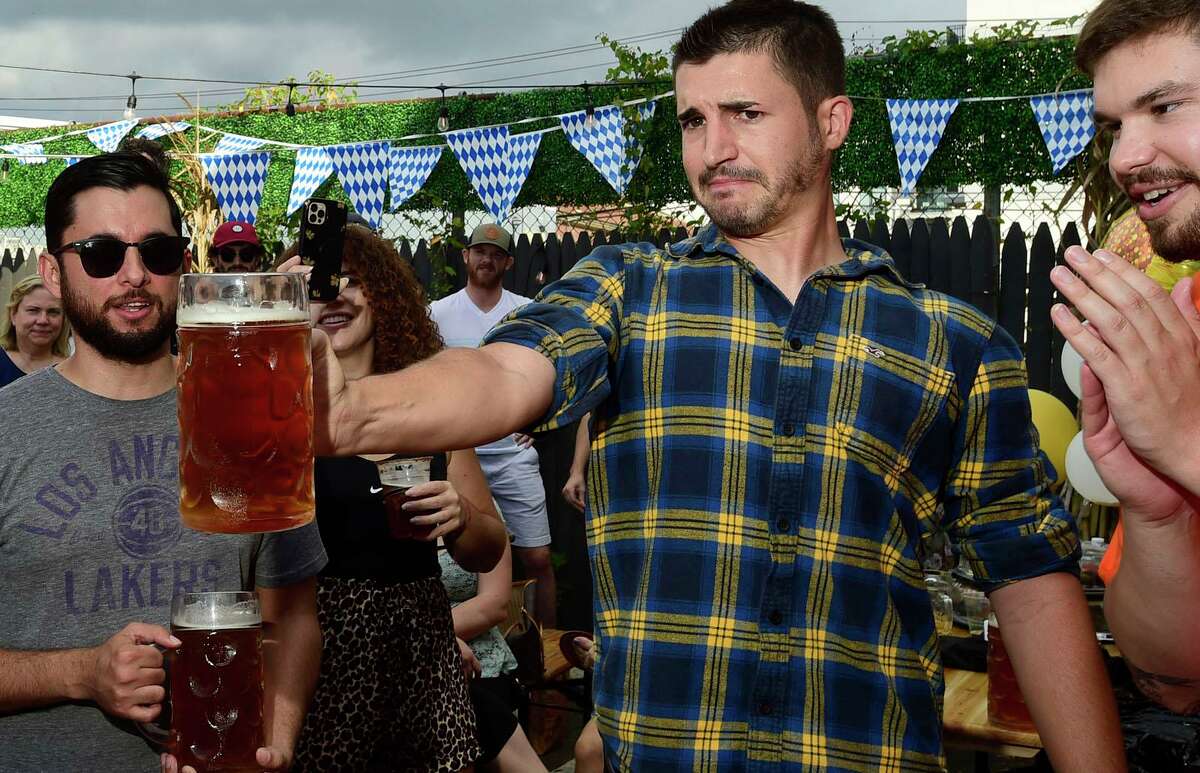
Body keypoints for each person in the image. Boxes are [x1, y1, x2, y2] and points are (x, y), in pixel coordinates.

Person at [306, 2, 1126, 769]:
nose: (712, 148)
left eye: (746, 114)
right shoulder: (629, 288)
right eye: (695, 119)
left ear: (831, 121)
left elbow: (1031, 584)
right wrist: (353, 412)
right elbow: (502, 370)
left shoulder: (953, 340)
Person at [0, 152, 326, 772]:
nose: (134, 275)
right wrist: (82, 672)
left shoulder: (255, 419)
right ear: (51, 269)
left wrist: (274, 745)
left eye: (157, 251)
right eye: (100, 254)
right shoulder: (7, 430)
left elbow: (294, 618)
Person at [281, 225, 508, 772]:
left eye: (352, 283)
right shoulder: (278, 416)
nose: (334, 297)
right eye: (316, 287)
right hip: (323, 653)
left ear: (384, 296)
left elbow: (489, 550)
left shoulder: (429, 408)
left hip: (423, 652)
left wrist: (460, 514)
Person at [1048, 0, 1200, 715]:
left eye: (1164, 106)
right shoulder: (1186, 321)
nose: (1123, 158)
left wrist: (1189, 447)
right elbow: (1172, 679)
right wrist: (1156, 509)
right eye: (1114, 127)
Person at [430, 222, 557, 627]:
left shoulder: (526, 311)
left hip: (511, 454)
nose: (487, 259)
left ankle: (547, 655)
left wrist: (542, 420)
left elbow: (554, 370)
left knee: (537, 556)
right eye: (480, 251)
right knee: (454, 559)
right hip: (455, 453)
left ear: (508, 262)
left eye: (496, 253)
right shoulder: (437, 313)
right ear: (466, 256)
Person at [440, 540, 546, 772]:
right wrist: (437, 641)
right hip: (409, 660)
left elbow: (494, 605)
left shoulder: (478, 515)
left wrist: (436, 636)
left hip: (480, 664)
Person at [1, 274, 71, 388]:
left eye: (53, 312)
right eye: (33, 310)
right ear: (13, 315)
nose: (43, 320)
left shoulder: (74, 373)